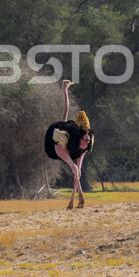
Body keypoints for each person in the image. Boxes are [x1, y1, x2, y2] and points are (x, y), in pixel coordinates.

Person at [44, 79, 94, 208]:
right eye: (68, 83)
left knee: (59, 146)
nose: (70, 83)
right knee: (77, 170)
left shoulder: (61, 131)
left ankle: (76, 200)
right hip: (83, 146)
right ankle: (78, 199)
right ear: (65, 87)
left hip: (74, 145)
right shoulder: (82, 135)